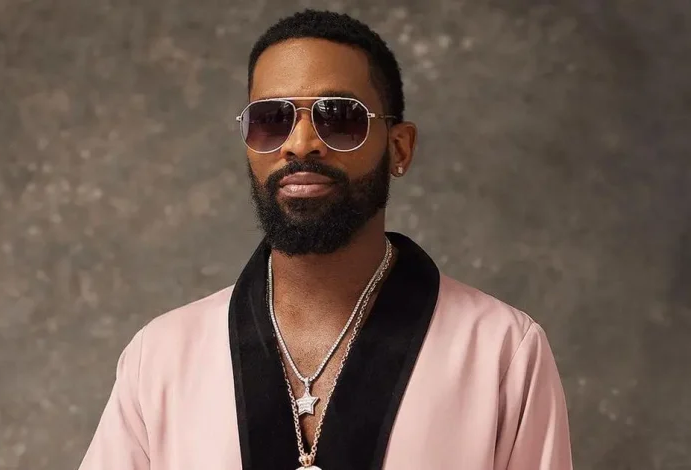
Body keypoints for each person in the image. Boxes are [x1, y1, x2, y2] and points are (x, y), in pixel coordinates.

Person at [78, 9, 573, 470]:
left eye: (339, 117)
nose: (300, 144)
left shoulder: (502, 351)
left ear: (399, 148)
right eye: (271, 119)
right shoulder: (160, 357)